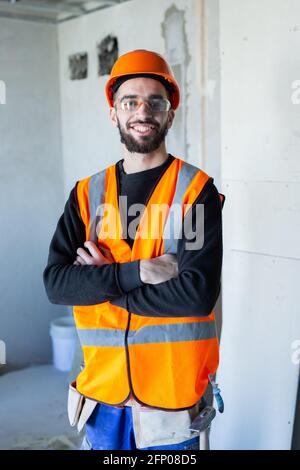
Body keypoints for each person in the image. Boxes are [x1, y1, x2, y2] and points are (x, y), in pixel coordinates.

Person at [43, 49, 223, 451]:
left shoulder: (194, 193)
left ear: (170, 114)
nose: (143, 111)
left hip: (170, 405)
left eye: (155, 102)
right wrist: (138, 272)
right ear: (114, 113)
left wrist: (103, 283)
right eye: (130, 102)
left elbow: (195, 295)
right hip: (102, 399)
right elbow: (57, 284)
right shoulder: (87, 195)